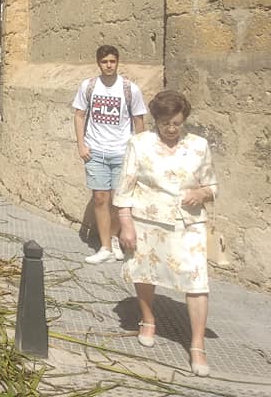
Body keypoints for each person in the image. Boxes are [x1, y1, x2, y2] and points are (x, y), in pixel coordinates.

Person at [114, 90, 217, 377]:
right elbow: (125, 188)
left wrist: (200, 192)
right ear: (156, 120)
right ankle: (148, 319)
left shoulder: (199, 145)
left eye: (177, 123)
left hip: (189, 223)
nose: (172, 129)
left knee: (197, 280)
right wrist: (126, 224)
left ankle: (197, 345)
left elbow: (213, 186)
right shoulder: (139, 143)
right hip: (147, 220)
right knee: (144, 271)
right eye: (165, 123)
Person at [73, 45, 147, 264]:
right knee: (99, 198)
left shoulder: (129, 89)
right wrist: (81, 145)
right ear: (98, 63)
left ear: (117, 62)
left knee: (118, 200)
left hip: (121, 152)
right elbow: (79, 115)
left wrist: (139, 151)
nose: (108, 65)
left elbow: (138, 120)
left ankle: (115, 238)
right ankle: (104, 246)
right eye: (105, 61)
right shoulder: (88, 86)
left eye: (112, 61)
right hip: (96, 151)